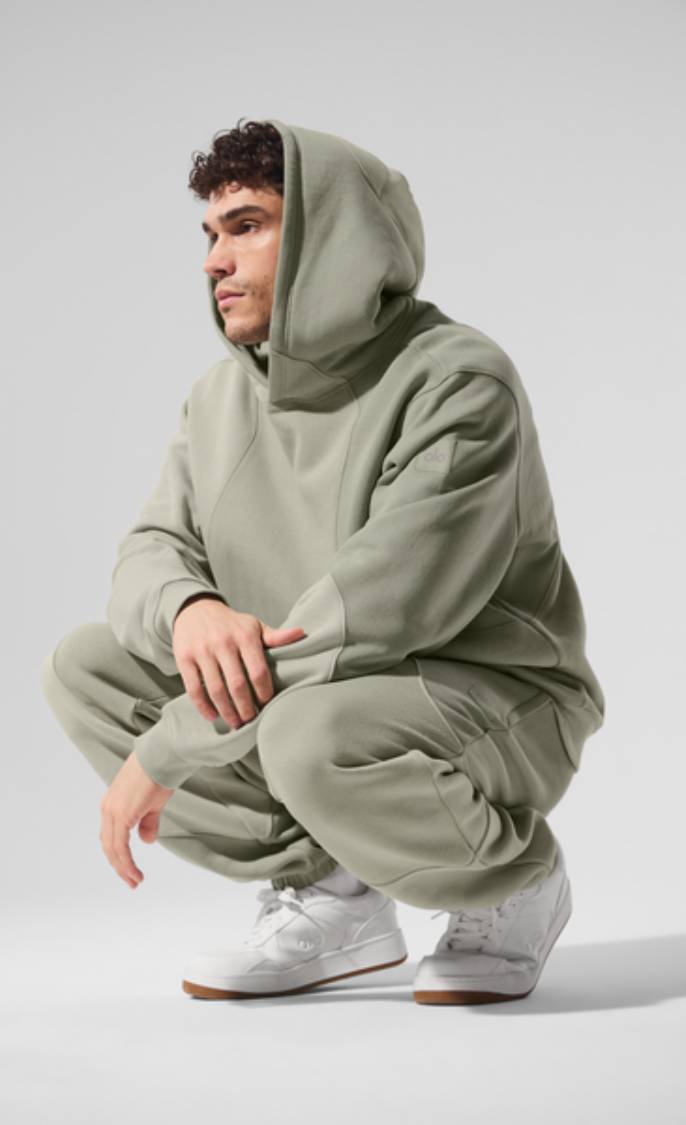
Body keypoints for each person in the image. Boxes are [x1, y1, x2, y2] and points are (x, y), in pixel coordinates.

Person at [40, 117, 605, 1005]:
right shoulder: (219, 398)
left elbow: (382, 609)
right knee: (85, 669)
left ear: (327, 232)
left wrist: (170, 746)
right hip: (312, 696)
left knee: (309, 736)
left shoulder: (457, 380)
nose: (214, 261)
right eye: (210, 234)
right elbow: (149, 551)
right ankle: (337, 894)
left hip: (499, 701)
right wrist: (190, 609)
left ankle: (513, 877)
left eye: (247, 226)